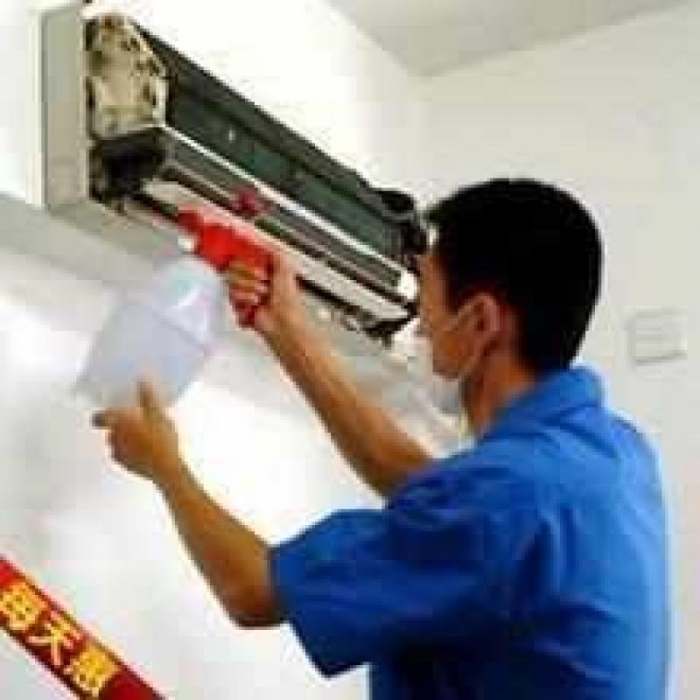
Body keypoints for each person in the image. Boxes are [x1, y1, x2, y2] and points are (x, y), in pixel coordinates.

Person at [93, 179, 668, 699]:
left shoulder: (503, 496)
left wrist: (164, 465)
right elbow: (438, 494)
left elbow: (252, 592)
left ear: (479, 321)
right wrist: (286, 331)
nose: (421, 328)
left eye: (425, 304)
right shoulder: (615, 454)